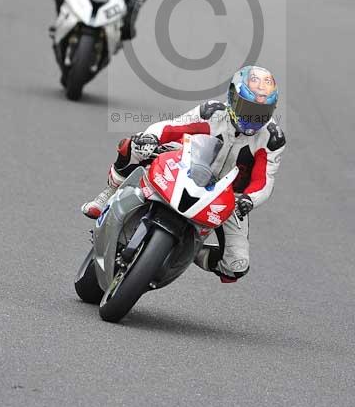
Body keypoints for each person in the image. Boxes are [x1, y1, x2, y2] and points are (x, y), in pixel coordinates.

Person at [82, 65, 286, 283]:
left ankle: (191, 250)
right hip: (187, 166)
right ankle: (108, 194)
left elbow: (264, 180)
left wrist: (249, 200)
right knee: (133, 145)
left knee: (236, 266)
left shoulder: (272, 138)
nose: (252, 118)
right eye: (247, 108)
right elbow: (173, 127)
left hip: (228, 197)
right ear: (233, 97)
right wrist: (151, 137)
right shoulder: (212, 112)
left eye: (260, 113)